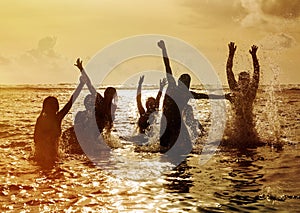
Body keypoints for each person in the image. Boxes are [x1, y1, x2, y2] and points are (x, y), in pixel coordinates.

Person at [157, 40, 229, 155]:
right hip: (169, 121)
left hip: (174, 122)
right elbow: (167, 65)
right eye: (182, 81)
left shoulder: (184, 92)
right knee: (166, 148)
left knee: (179, 148)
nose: (183, 84)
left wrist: (225, 96)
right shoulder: (176, 87)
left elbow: (208, 96)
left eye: (185, 82)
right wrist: (164, 49)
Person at [34, 71, 85, 168]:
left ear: (56, 107)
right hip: (41, 157)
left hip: (54, 156)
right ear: (45, 107)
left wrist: (81, 84)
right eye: (49, 106)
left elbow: (71, 102)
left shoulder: (58, 118)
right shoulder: (40, 120)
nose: (51, 108)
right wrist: (46, 137)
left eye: (53, 106)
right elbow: (35, 140)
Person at [224, 42, 260, 147]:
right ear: (238, 81)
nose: (244, 82)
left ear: (249, 81)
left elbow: (257, 72)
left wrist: (254, 56)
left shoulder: (251, 93)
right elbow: (228, 70)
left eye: (246, 80)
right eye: (242, 80)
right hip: (236, 131)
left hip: (249, 131)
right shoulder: (234, 90)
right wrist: (231, 54)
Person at [74, 58, 117, 134]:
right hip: (89, 127)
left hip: (98, 131)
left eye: (111, 94)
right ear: (104, 93)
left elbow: (109, 124)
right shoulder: (99, 99)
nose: (108, 95)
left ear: (113, 96)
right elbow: (89, 84)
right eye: (107, 93)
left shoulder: (113, 107)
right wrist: (81, 69)